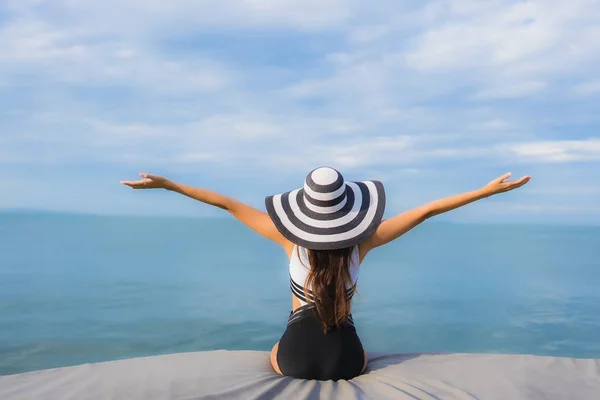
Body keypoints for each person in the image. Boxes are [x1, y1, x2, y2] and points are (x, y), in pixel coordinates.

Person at [121, 166, 530, 381]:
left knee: (273, 352)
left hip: (294, 357)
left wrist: (168, 184)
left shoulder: (287, 240)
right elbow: (425, 211)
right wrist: (485, 191)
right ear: (347, 211)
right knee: (356, 346)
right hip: (347, 360)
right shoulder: (363, 243)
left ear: (304, 212)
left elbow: (226, 203)